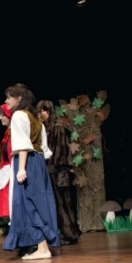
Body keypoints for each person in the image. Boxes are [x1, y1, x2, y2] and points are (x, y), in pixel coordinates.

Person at [1, 83, 60, 259]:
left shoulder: (19, 115)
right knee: (37, 204)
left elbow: (23, 145)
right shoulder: (35, 117)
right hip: (38, 161)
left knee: (29, 204)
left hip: (27, 161)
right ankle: (41, 246)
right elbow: (43, 147)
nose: (6, 101)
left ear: (19, 98)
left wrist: (21, 169)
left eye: (9, 97)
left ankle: (43, 248)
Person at [37, 99, 81, 246]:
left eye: (43, 110)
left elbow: (62, 151)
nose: (41, 113)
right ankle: (61, 232)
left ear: (49, 111)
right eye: (39, 111)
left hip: (56, 171)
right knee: (55, 204)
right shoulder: (44, 127)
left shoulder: (57, 127)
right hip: (48, 171)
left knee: (62, 203)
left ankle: (70, 234)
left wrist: (59, 168)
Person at [0, 103, 14, 220]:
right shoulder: (7, 133)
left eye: (3, 115)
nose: (0, 118)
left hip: (14, 172)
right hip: (8, 172)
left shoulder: (15, 133)